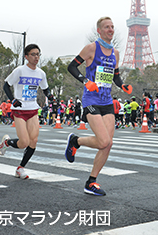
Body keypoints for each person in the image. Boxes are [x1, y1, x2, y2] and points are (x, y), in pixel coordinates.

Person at [65, 16, 132, 196]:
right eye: (107, 27)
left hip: (107, 101)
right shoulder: (91, 48)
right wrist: (86, 81)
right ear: (99, 31)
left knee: (107, 144)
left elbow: (115, 75)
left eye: (112, 27)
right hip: (91, 100)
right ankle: (76, 141)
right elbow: (72, 67)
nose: (111, 30)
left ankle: (91, 182)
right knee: (103, 140)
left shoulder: (115, 53)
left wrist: (122, 85)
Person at [0, 44, 54, 179]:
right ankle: (7, 142)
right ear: (26, 56)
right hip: (19, 110)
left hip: (33, 109)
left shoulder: (41, 73)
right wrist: (13, 100)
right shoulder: (20, 71)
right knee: (23, 143)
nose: (36, 57)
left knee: (33, 141)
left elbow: (45, 88)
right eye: (33, 54)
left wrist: (50, 96)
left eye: (38, 54)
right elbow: (6, 85)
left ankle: (20, 168)